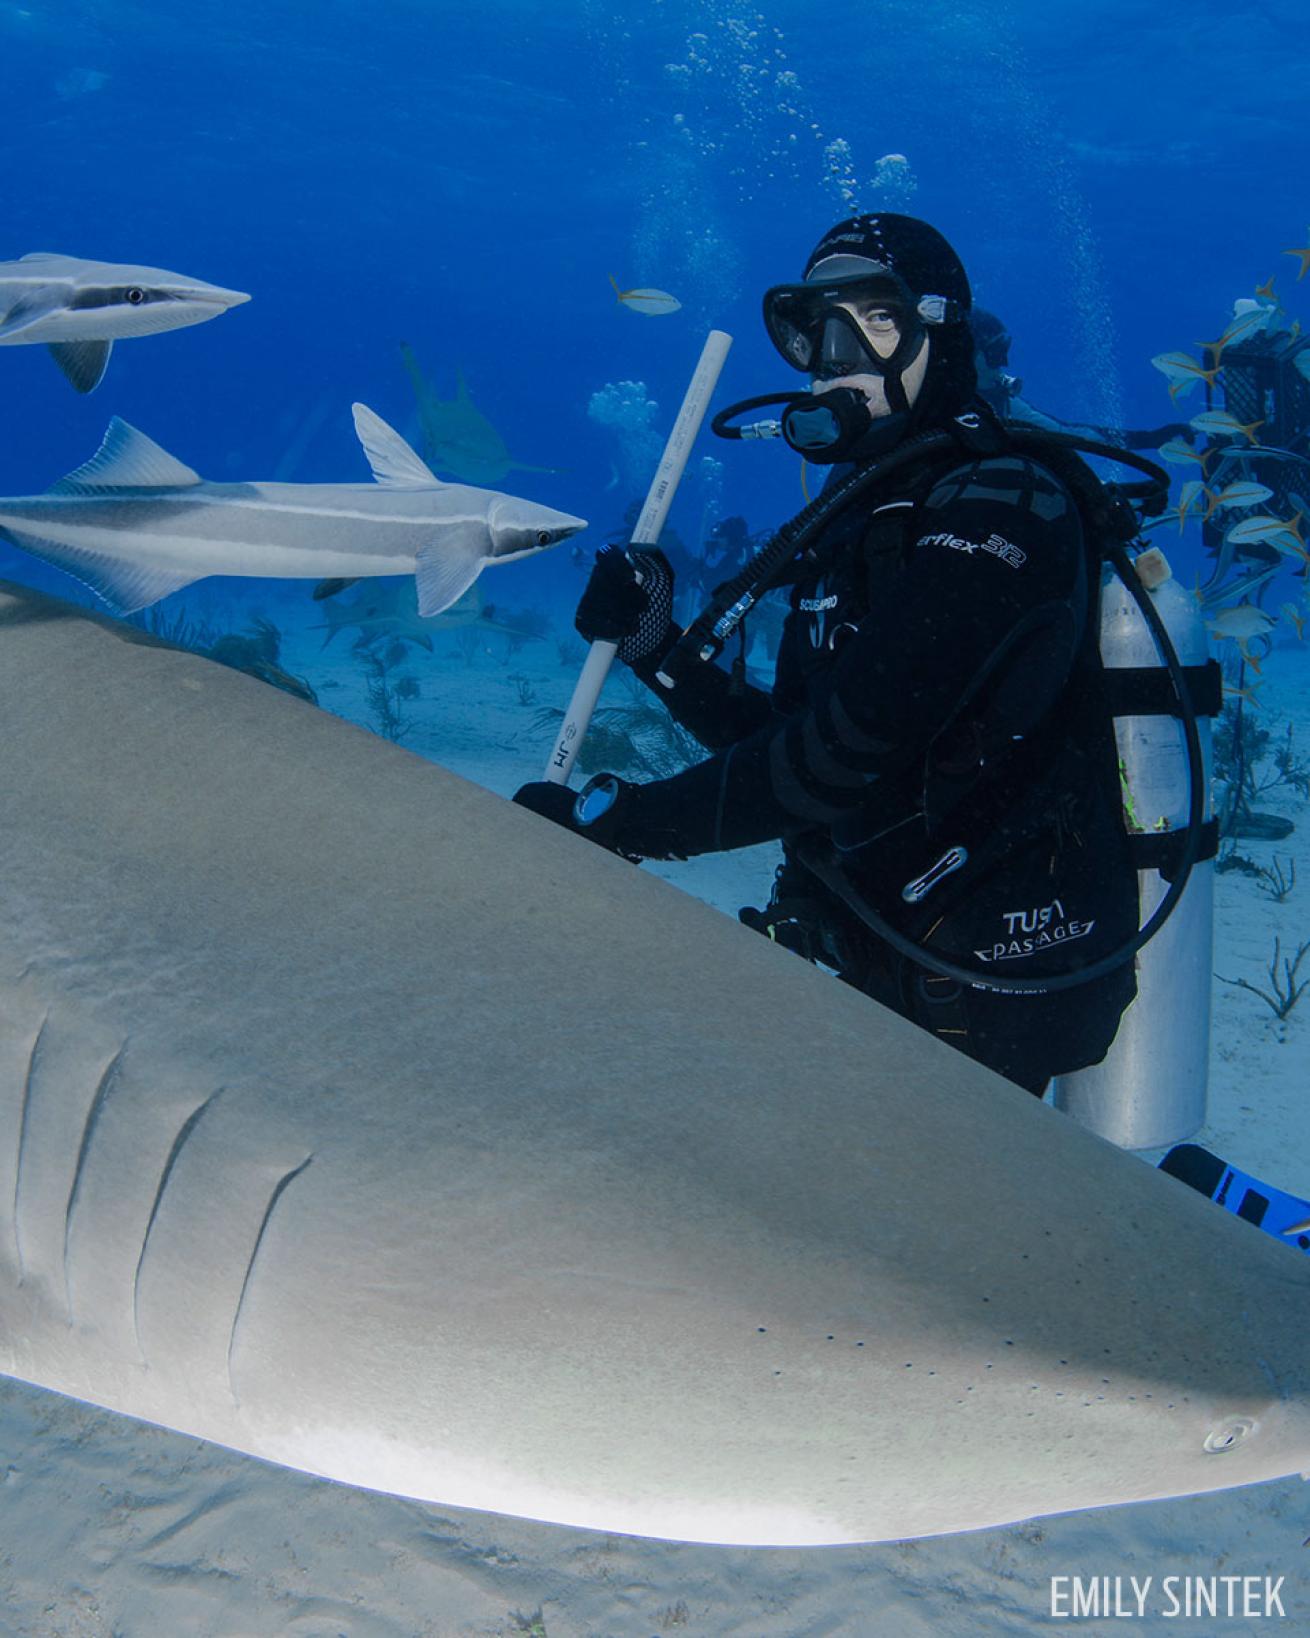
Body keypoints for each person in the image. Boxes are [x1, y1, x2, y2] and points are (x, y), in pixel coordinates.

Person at [515, 213, 1142, 1095]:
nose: (837, 352)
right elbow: (790, 736)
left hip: (988, 983)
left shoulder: (1006, 506)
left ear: (942, 330)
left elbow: (846, 752)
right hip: (876, 951)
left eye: (876, 319)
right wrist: (656, 649)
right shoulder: (865, 512)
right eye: (815, 327)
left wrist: (616, 825)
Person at [970, 306, 1190, 452]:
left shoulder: (1005, 403)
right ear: (965, 355)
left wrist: (1148, 439)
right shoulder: (939, 404)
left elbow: (1068, 434)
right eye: (995, 353)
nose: (1004, 363)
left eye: (1004, 350)